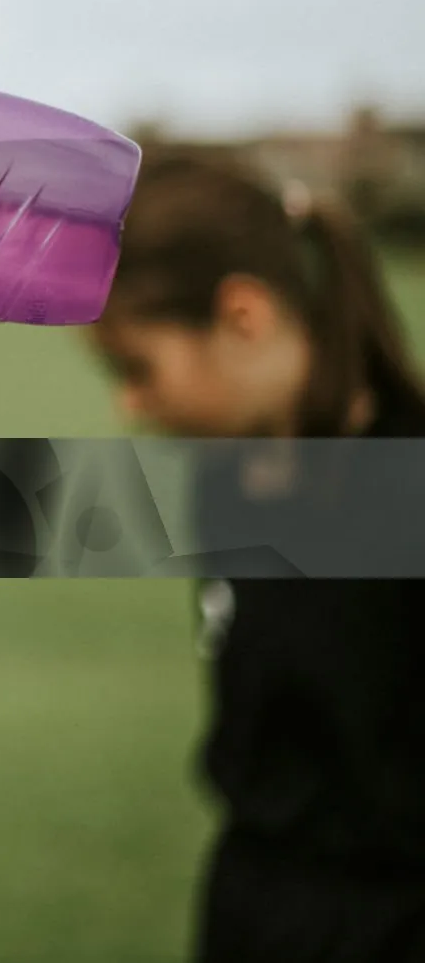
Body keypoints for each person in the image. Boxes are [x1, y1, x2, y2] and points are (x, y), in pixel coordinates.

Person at [91, 152, 425, 962]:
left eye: (139, 367)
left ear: (244, 314)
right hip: (254, 906)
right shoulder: (228, 478)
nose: (128, 403)